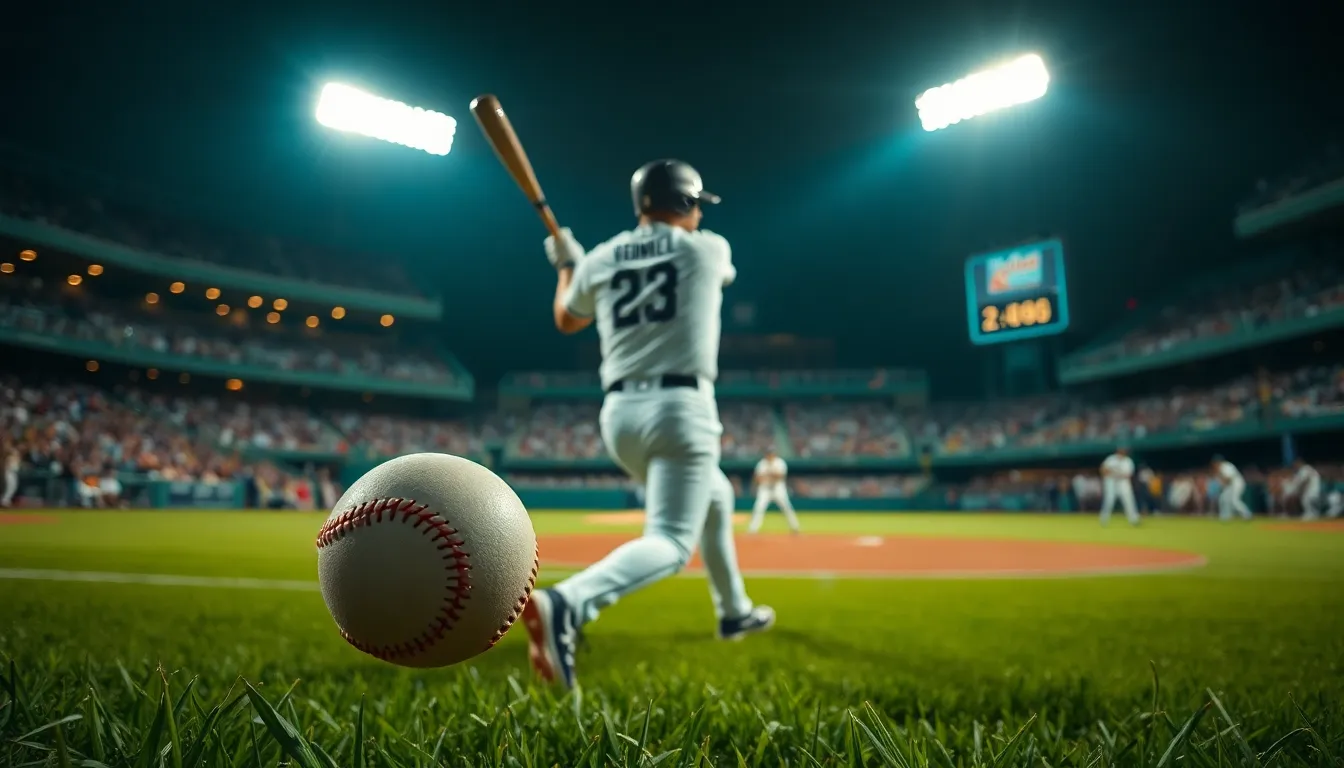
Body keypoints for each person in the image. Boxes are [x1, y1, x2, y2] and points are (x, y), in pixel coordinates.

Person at [522, 159, 774, 690]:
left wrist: (569, 264)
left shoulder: (602, 256)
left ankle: (735, 611)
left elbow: (567, 318)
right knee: (671, 542)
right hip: (680, 410)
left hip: (619, 417)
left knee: (718, 497)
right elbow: (706, 272)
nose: (702, 213)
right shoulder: (709, 249)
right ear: (684, 203)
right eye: (698, 204)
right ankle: (568, 604)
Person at [748, 447, 800, 534]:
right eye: (768, 454)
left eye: (771, 453)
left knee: (786, 507)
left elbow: (780, 476)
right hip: (765, 490)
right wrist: (771, 475)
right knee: (759, 508)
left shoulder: (780, 462)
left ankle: (795, 527)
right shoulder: (762, 464)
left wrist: (767, 476)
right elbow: (757, 478)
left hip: (778, 489)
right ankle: (753, 529)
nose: (770, 455)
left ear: (774, 454)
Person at [1099, 447, 1140, 526]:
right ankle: (1103, 520)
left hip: (1123, 483)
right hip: (1111, 483)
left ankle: (1134, 520)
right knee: (1109, 501)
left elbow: (1128, 475)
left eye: (1124, 451)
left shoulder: (1128, 461)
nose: (1122, 452)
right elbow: (1103, 469)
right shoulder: (1111, 459)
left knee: (1129, 501)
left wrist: (1115, 473)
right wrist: (1112, 473)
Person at [1211, 454, 1252, 521]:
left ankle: (1247, 514)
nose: (1214, 464)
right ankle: (1226, 516)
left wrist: (1221, 483)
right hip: (1230, 485)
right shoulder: (1219, 469)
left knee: (1234, 500)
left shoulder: (1226, 466)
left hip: (1237, 483)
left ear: (1219, 462)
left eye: (1215, 462)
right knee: (1223, 498)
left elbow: (1229, 479)